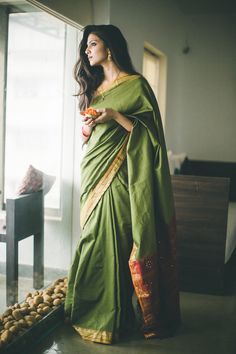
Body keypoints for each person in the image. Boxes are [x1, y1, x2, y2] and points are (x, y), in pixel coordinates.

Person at [64, 24, 181, 345]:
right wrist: (87, 128)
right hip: (93, 170)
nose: (86, 51)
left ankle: (112, 319)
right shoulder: (96, 86)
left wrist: (115, 114)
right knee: (91, 240)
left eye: (92, 44)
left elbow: (151, 138)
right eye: (85, 46)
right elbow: (89, 136)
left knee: (113, 244)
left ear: (110, 47)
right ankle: (87, 310)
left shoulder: (136, 86)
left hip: (119, 176)